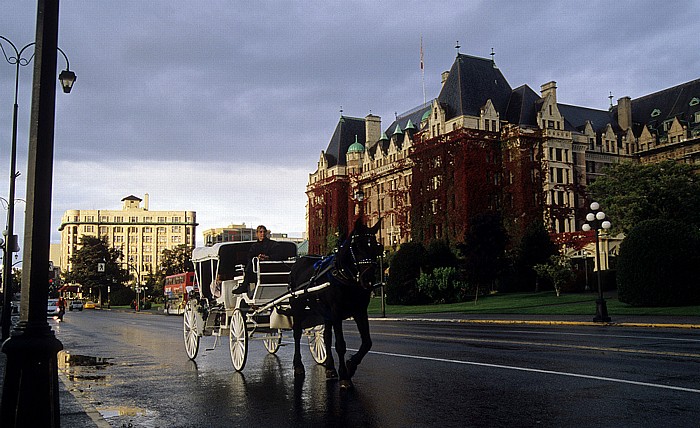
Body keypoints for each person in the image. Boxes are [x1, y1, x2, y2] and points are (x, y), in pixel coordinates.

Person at [243, 225, 279, 291]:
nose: (262, 233)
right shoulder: (254, 246)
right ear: (257, 234)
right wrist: (257, 258)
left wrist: (268, 257)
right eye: (261, 232)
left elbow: (278, 255)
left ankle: (244, 285)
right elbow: (249, 257)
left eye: (264, 232)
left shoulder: (273, 244)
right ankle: (245, 285)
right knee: (250, 263)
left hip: (271, 268)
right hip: (257, 270)